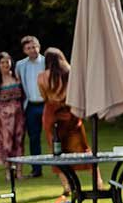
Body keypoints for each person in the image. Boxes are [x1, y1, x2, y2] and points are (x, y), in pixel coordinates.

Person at [37, 48, 94, 195]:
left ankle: (67, 186)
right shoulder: (70, 73)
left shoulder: (42, 77)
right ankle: (98, 181)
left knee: (57, 151)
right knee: (83, 148)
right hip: (70, 112)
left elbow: (44, 97)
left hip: (52, 114)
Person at [0, 52, 25, 171]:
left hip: (18, 113)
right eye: (2, 62)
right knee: (7, 142)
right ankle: (8, 171)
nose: (5, 65)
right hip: (4, 115)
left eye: (7, 62)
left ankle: (19, 171)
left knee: (19, 141)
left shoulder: (16, 77)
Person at [15, 35, 45, 176]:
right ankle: (36, 169)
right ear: (24, 51)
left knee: (54, 137)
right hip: (30, 105)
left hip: (46, 104)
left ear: (39, 47)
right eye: (29, 48)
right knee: (33, 138)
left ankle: (60, 168)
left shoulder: (46, 62)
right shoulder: (20, 65)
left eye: (34, 47)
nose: (32, 50)